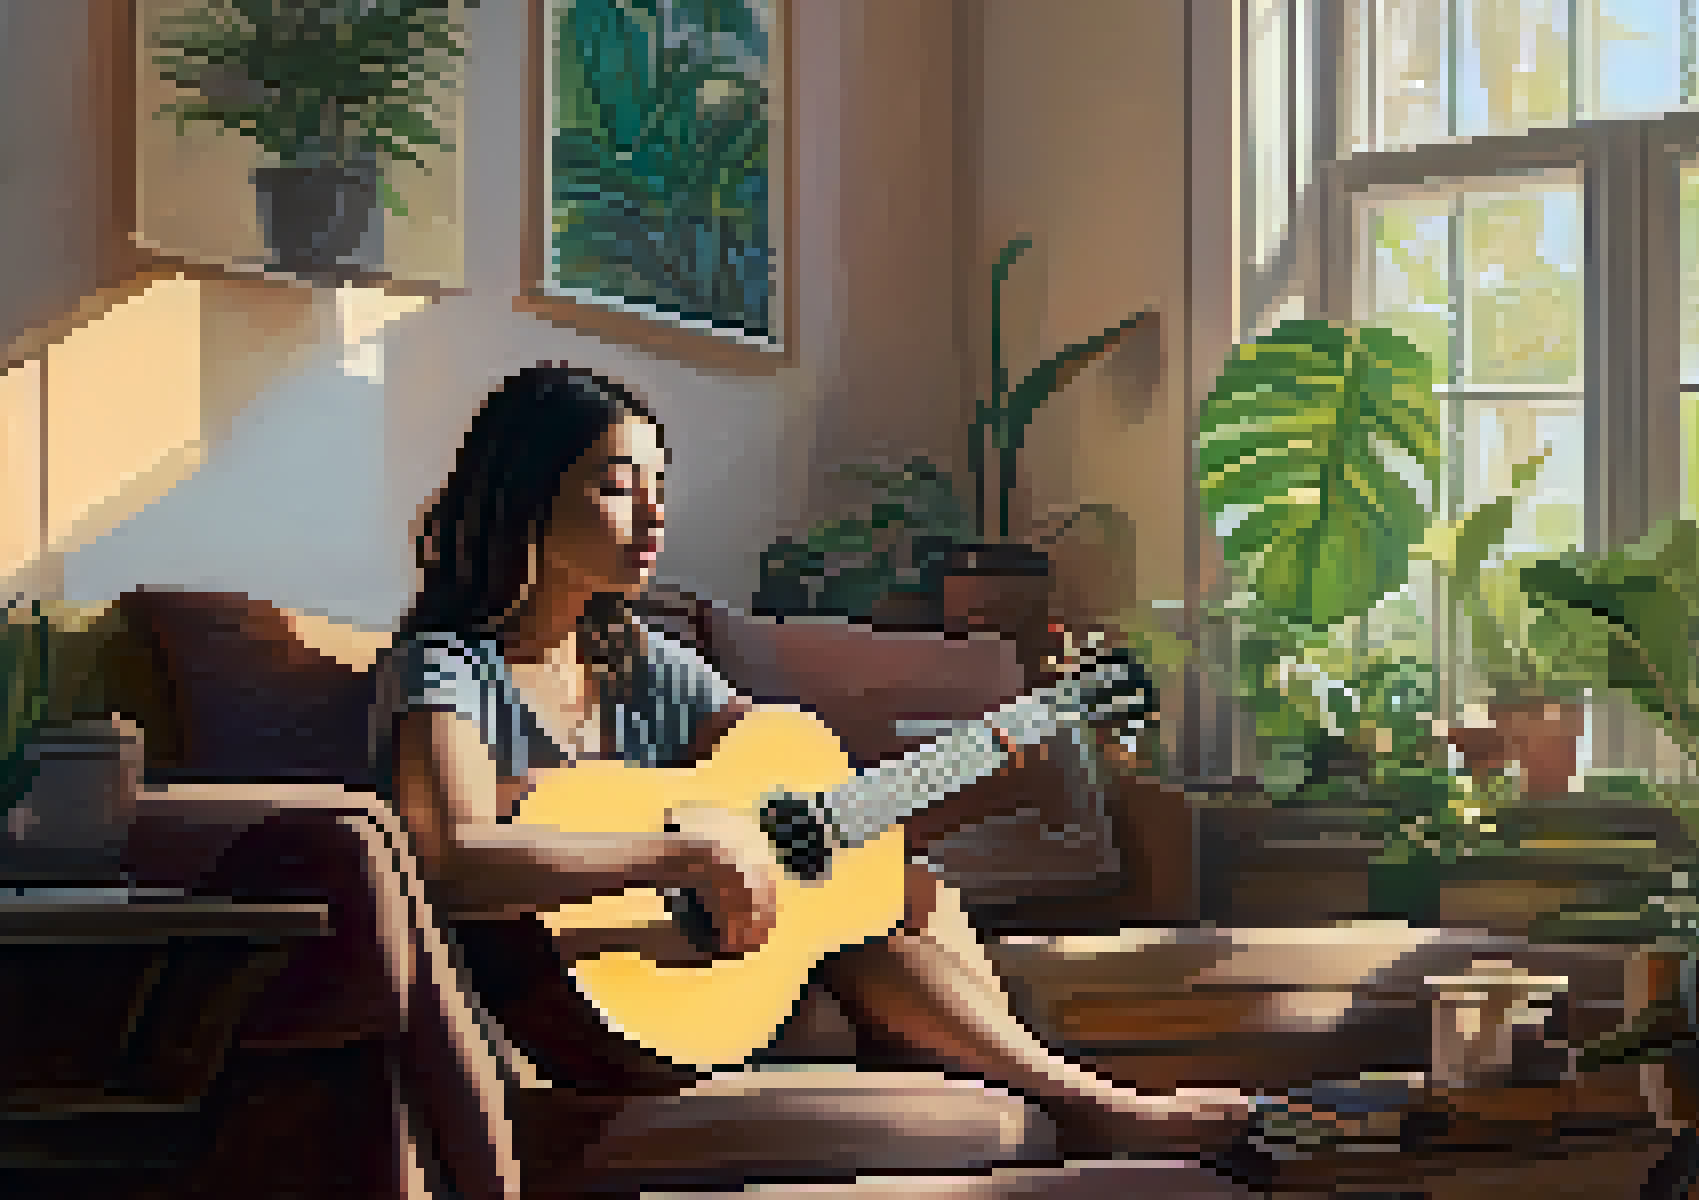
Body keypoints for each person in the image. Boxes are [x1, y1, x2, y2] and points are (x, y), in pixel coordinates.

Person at [366, 363, 1253, 1185]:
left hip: (697, 975)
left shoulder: (640, 659)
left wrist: (976, 774)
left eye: (659, 490)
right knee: (877, 923)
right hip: (557, 988)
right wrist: (679, 856)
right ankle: (1087, 1107)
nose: (653, 517)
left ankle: (1049, 1108)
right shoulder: (451, 664)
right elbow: (451, 857)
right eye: (616, 485)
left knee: (904, 895)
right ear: (523, 495)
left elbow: (797, 798)